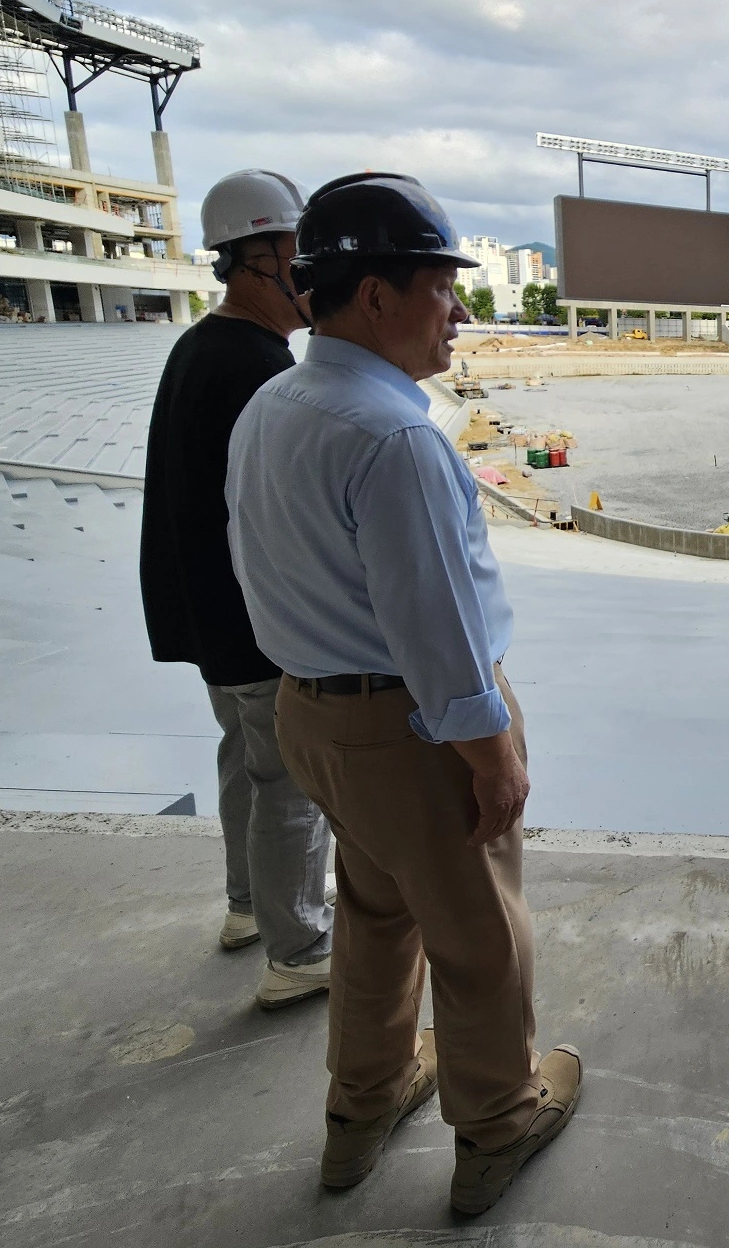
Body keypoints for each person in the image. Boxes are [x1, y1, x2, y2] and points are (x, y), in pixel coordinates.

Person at [225, 172, 581, 1216]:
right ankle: (496, 1126)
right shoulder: (396, 436)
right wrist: (491, 753)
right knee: (479, 937)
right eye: (440, 286)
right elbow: (435, 627)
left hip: (313, 713)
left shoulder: (273, 403)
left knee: (376, 913)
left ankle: (360, 1113)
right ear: (374, 295)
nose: (459, 311)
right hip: (410, 724)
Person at [140, 169, 334, 1011]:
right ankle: (298, 950)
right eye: (299, 254)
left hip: (207, 616)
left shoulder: (201, 348)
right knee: (290, 782)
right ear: (255, 258)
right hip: (254, 621)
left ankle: (248, 908)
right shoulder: (254, 366)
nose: (311, 274)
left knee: (244, 765)